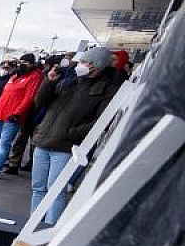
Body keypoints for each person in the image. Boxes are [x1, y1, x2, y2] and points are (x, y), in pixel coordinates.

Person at [29, 46, 119, 225]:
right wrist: (49, 82)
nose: (80, 65)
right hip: (43, 140)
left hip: (65, 147)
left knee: (56, 191)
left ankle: (47, 230)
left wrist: (72, 134)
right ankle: (32, 224)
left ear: (97, 65)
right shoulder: (69, 82)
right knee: (38, 188)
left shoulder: (108, 90)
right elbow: (40, 102)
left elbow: (101, 122)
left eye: (85, 62)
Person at [0, 54, 43, 178]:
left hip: (12, 117)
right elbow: (4, 95)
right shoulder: (14, 77)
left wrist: (17, 113)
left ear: (32, 63)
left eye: (25, 62)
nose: (21, 64)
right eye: (20, 61)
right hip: (0, 114)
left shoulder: (34, 77)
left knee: (4, 144)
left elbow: (28, 98)